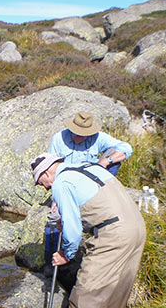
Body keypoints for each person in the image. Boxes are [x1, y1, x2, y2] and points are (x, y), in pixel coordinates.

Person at [30, 152, 146, 308]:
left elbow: (72, 232)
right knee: (117, 289)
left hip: (113, 235)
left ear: (46, 173)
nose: (42, 188)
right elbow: (97, 207)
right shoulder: (88, 167)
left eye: (40, 182)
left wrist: (65, 254)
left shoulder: (61, 183)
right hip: (136, 228)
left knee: (85, 295)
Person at [43, 111, 134, 276]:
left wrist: (106, 161)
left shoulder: (98, 137)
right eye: (76, 133)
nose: (78, 137)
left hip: (89, 187)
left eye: (83, 134)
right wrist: (57, 198)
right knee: (55, 219)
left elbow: (126, 148)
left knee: (114, 160)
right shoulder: (59, 139)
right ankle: (52, 261)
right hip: (66, 187)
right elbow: (50, 166)